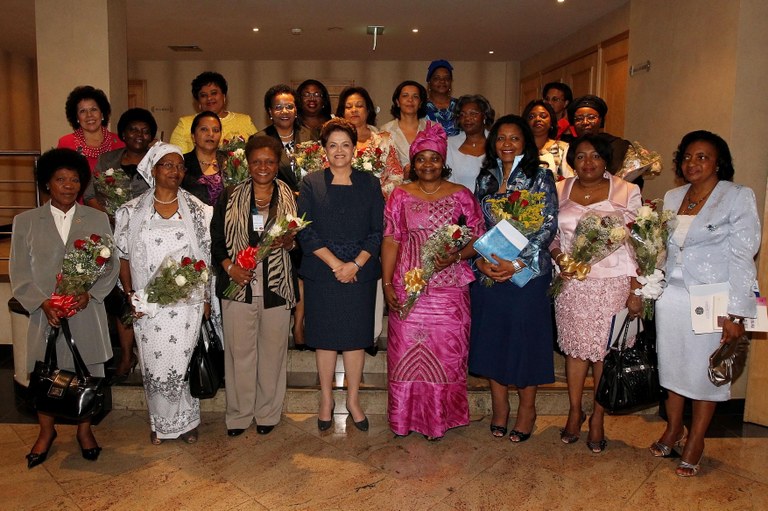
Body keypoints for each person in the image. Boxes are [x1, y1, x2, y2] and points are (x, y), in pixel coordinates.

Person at [651, 131, 760, 477]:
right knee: (671, 368)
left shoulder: (737, 197)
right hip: (672, 297)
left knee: (704, 372)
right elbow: (661, 248)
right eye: (687, 157)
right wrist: (648, 285)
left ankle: (696, 438)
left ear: (719, 162)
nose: (692, 164)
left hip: (713, 299)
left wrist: (737, 312)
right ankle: (673, 428)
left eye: (702, 157)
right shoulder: (672, 196)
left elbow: (745, 257)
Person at [11, 148, 119, 467]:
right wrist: (42, 302)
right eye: (61, 179)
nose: (69, 185)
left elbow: (110, 265)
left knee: (88, 373)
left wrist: (90, 294)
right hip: (45, 315)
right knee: (46, 374)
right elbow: (19, 272)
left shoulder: (97, 218)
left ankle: (85, 431)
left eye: (74, 179)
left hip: (85, 312)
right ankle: (47, 433)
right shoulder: (26, 221)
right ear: (47, 183)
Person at [382, 122, 485, 440]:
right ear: (413, 162)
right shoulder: (399, 196)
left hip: (449, 290)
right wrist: (387, 285)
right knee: (405, 356)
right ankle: (404, 419)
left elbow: (478, 237)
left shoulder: (462, 195)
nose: (429, 164)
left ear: (444, 161)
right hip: (408, 284)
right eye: (422, 158)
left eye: (435, 158)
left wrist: (456, 256)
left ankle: (438, 421)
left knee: (446, 355)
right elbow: (391, 240)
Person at [115, 142, 213, 445]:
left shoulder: (198, 210)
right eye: (167, 165)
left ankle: (186, 422)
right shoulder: (131, 211)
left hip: (187, 304)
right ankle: (160, 424)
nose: (175, 171)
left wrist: (206, 297)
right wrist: (131, 294)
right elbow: (124, 257)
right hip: (150, 304)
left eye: (180, 166)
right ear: (153, 170)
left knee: (182, 361)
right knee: (154, 364)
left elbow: (206, 257)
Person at [549, 135, 642, 453]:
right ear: (572, 160)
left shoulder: (628, 190)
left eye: (595, 156)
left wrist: (636, 289)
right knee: (575, 352)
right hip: (573, 282)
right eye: (581, 156)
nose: (588, 162)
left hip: (613, 283)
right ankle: (575, 411)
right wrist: (559, 257)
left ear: (606, 160)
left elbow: (639, 243)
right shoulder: (560, 188)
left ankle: (599, 417)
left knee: (605, 353)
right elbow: (552, 235)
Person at [469, 115, 558, 443]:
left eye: (514, 138)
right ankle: (500, 406)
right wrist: (480, 258)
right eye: (501, 138)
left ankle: (527, 409)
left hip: (528, 273)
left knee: (525, 340)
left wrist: (518, 262)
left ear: (526, 143)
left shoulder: (541, 175)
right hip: (491, 268)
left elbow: (548, 224)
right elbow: (477, 224)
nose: (506, 144)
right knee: (492, 338)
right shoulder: (485, 178)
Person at [297, 118, 384, 432]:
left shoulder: (370, 183)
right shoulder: (311, 183)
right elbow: (304, 231)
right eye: (332, 144)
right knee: (325, 339)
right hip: (323, 272)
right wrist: (336, 265)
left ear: (355, 148)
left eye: (345, 144)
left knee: (355, 339)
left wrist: (356, 265)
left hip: (359, 273)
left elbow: (378, 231)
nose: (339, 150)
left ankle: (353, 400)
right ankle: (325, 399)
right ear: (323, 149)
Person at [211, 136, 298, 437]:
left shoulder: (290, 196)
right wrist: (230, 268)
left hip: (277, 286)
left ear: (278, 164)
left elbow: (298, 243)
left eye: (270, 162)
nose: (263, 167)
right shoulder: (229, 195)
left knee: (273, 353)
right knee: (239, 354)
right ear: (247, 163)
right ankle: (238, 415)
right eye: (257, 161)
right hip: (238, 286)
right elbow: (217, 242)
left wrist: (290, 242)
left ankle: (267, 413)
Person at [83, 107, 158, 381]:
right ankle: (127, 354)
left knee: (148, 296)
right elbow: (90, 194)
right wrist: (111, 216)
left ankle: (151, 353)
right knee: (124, 298)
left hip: (149, 240)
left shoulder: (157, 161)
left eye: (145, 130)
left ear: (151, 135)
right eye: (133, 130)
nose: (139, 135)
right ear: (123, 133)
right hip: (114, 238)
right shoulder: (108, 160)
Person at [336, 86, 403, 199]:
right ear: (342, 112)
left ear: (368, 110)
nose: (354, 110)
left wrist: (374, 192)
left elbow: (396, 177)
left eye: (359, 106)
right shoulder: (334, 141)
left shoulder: (384, 140)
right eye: (348, 107)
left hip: (376, 202)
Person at [169, 71, 257, 153]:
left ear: (224, 96)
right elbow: (176, 159)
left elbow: (258, 152)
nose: (209, 98)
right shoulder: (185, 124)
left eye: (214, 93)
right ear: (198, 101)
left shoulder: (244, 121)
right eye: (203, 95)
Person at [57, 85, 124, 172]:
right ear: (76, 117)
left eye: (94, 109)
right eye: (82, 111)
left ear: (102, 114)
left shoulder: (119, 142)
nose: (89, 115)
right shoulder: (66, 143)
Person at [259, 84, 310, 192]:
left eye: (289, 107)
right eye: (278, 107)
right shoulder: (260, 140)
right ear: (270, 111)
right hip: (274, 201)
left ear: (296, 110)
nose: (284, 111)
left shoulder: (311, 136)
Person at [446, 94, 495, 190]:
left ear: (484, 116)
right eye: (463, 114)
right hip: (460, 202)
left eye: (473, 114)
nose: (467, 118)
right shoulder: (449, 144)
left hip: (494, 203)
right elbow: (448, 183)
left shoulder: (496, 142)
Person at [182, 111, 227, 206]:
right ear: (193, 136)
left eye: (215, 130)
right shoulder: (182, 164)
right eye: (204, 129)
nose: (210, 134)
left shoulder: (231, 162)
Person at [380, 80, 428, 168]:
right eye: (405, 96)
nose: (410, 100)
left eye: (415, 96)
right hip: (396, 181)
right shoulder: (385, 130)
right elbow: (382, 166)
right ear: (397, 102)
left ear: (420, 103)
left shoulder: (433, 128)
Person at [523, 100, 574, 179]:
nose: (537, 119)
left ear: (551, 122)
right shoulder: (519, 148)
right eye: (531, 117)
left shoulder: (562, 148)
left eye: (543, 116)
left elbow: (569, 179)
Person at [425, 60, 459, 136]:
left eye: (446, 78)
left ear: (450, 82)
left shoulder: (460, 105)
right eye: (437, 78)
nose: (442, 81)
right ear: (429, 81)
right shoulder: (420, 107)